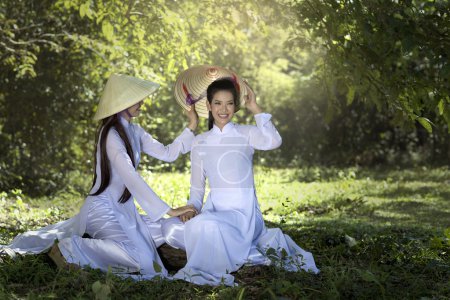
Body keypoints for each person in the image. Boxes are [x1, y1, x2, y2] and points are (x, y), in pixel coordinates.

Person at [1, 74, 197, 279]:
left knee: (165, 230)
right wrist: (169, 210)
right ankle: (71, 248)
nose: (142, 102)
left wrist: (192, 123)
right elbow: (130, 176)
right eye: (136, 99)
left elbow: (167, 153)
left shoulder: (134, 130)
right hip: (102, 210)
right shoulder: (110, 134)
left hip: (123, 210)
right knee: (143, 258)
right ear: (122, 102)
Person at [162, 77, 319, 286]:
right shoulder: (200, 141)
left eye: (229, 103)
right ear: (208, 106)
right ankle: (215, 238)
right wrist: (191, 208)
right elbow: (197, 187)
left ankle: (226, 249)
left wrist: (255, 107)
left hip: (244, 216)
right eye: (217, 103)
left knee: (206, 225)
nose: (223, 109)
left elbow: (274, 141)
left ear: (236, 106)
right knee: (170, 226)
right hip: (215, 212)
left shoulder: (246, 133)